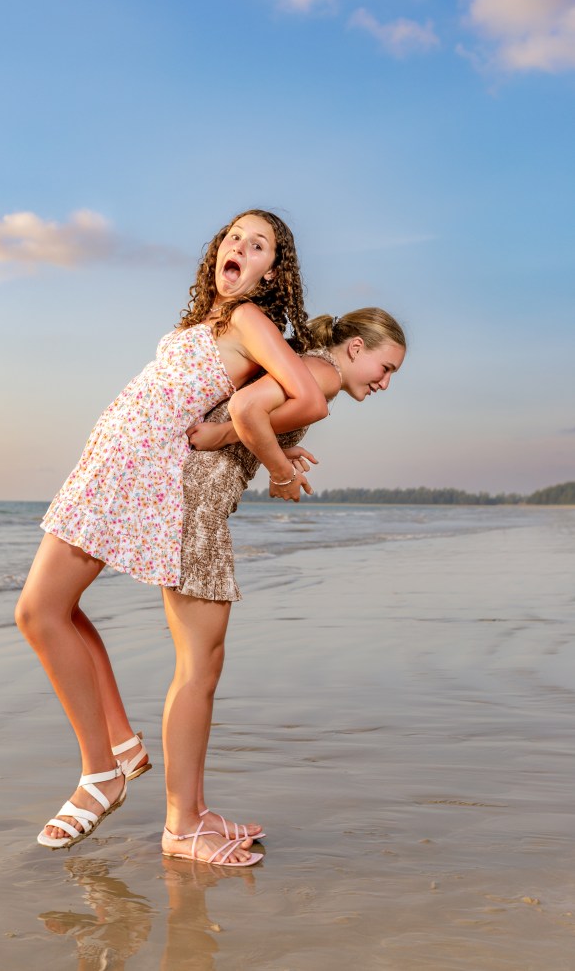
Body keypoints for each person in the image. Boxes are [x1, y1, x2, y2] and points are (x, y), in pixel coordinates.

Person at [15, 210, 327, 855]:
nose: (241, 246)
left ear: (273, 271)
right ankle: (122, 745)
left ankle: (100, 773)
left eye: (260, 244)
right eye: (235, 236)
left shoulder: (248, 320)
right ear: (218, 250)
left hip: (141, 470)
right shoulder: (204, 322)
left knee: (38, 613)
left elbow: (307, 396)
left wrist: (255, 454)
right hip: (109, 461)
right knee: (55, 611)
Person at [160, 308, 407, 865]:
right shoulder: (318, 376)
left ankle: (192, 814)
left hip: (199, 505)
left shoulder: (314, 374)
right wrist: (277, 470)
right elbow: (244, 412)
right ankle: (180, 827)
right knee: (198, 669)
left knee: (201, 666)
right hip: (196, 508)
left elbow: (246, 420)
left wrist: (262, 447)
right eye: (384, 367)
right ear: (353, 348)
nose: (385, 382)